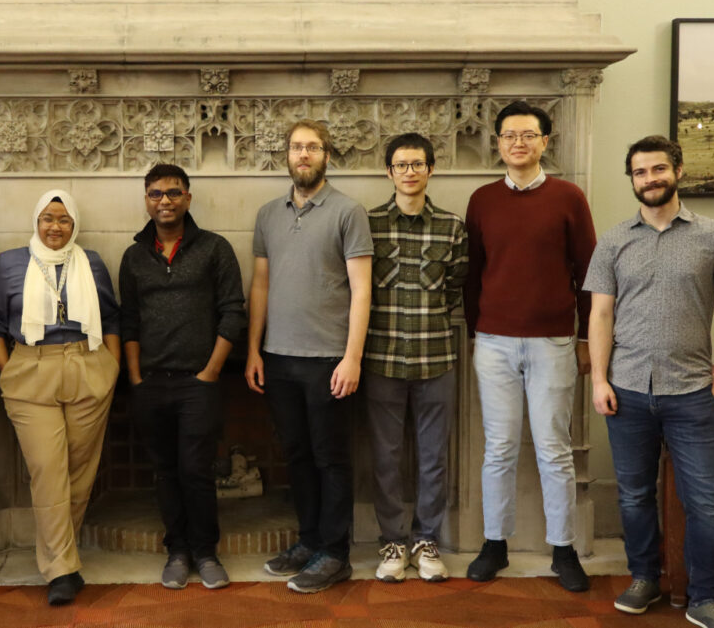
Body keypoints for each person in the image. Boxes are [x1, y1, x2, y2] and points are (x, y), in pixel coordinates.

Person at [586, 135, 714, 628]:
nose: (649, 179)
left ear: (678, 170)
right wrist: (599, 381)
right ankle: (644, 577)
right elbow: (601, 314)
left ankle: (705, 596)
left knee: (707, 505)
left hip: (691, 392)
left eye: (657, 170)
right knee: (633, 495)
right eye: (639, 172)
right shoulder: (613, 239)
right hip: (626, 390)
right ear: (631, 179)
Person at [463, 100, 596, 591]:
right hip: (494, 342)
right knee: (498, 448)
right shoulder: (482, 200)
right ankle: (494, 544)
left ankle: (563, 551)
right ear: (497, 144)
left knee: (553, 449)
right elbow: (473, 274)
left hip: (554, 343)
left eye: (528, 134)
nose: (518, 143)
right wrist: (479, 329)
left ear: (544, 141)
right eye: (509, 135)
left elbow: (589, 271)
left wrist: (585, 339)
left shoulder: (569, 197)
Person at [246, 119, 373, 593]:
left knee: (330, 458)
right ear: (287, 155)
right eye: (297, 147)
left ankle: (335, 553)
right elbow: (260, 284)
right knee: (296, 455)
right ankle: (309, 540)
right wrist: (254, 350)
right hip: (278, 359)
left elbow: (361, 291)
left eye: (313, 147)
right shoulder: (268, 214)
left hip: (328, 360)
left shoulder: (347, 211)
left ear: (326, 155)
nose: (304, 154)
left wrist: (352, 358)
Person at [0, 189, 120, 605]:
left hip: (87, 366)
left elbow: (111, 314)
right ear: (35, 222)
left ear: (74, 224)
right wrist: (9, 367)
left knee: (80, 469)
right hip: (30, 370)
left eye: (63, 220)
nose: (54, 227)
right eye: (47, 218)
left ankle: (64, 556)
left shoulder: (90, 262)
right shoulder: (9, 264)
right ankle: (60, 569)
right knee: (47, 468)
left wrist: (110, 365)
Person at [119, 164, 246, 590]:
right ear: (146, 200)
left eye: (173, 192)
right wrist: (135, 377)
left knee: (196, 469)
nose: (165, 201)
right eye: (155, 193)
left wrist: (210, 372)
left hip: (199, 383)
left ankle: (206, 552)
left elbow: (233, 312)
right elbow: (130, 320)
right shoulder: (134, 256)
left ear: (188, 198)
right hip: (151, 382)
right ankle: (177, 550)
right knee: (165, 470)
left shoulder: (214, 248)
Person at [365, 133, 467, 583]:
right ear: (389, 172)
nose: (409, 171)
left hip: (436, 357)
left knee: (433, 457)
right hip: (380, 359)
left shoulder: (451, 226)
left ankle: (427, 542)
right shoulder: (366, 224)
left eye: (417, 164)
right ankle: (391, 542)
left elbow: (456, 286)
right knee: (385, 457)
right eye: (401, 165)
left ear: (430, 170)